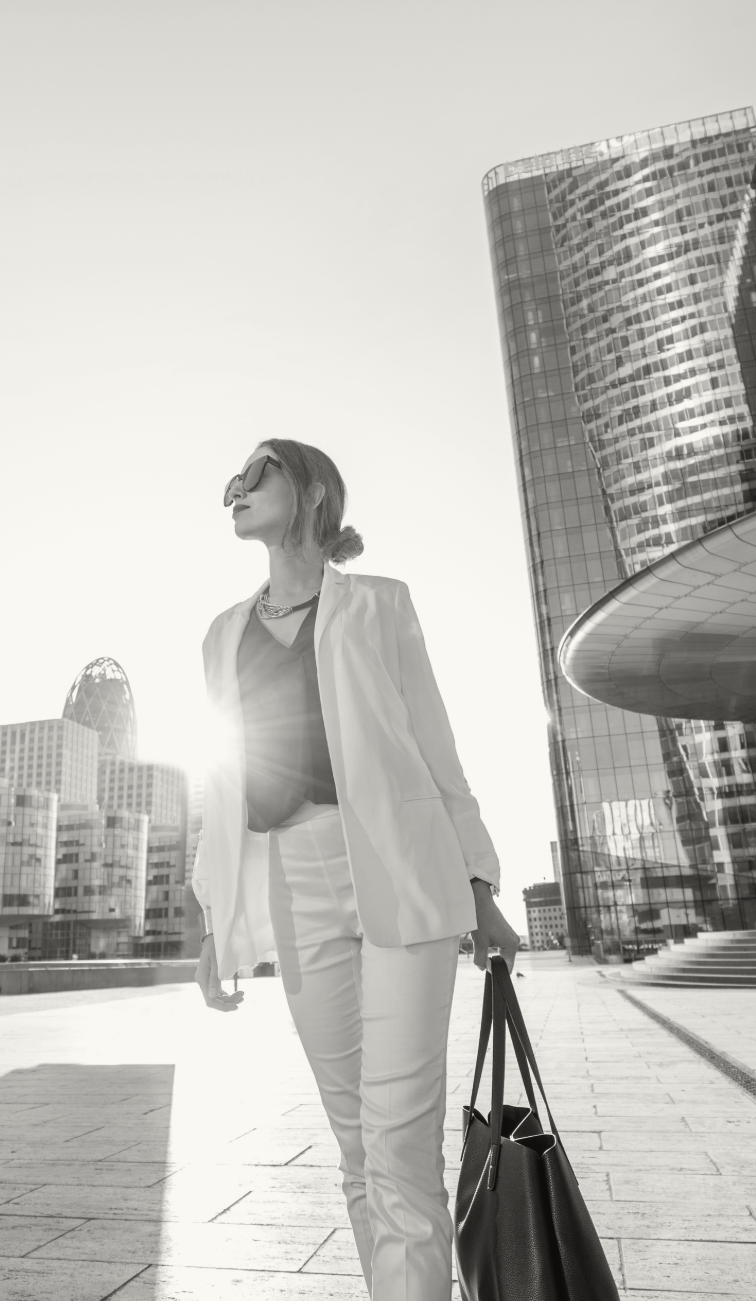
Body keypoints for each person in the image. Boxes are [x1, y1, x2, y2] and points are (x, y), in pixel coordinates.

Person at [192, 438, 520, 1301]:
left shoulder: (381, 606)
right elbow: (221, 787)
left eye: (257, 469)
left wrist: (480, 889)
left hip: (400, 873)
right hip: (291, 886)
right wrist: (213, 923)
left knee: (399, 1145)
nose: (235, 484)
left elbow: (438, 755)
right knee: (355, 1148)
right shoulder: (221, 636)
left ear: (310, 493)